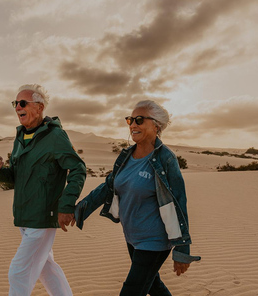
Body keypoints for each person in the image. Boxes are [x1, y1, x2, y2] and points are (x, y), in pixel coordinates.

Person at [75, 100, 200, 296]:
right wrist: (82, 207)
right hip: (132, 238)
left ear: (156, 126)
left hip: (155, 241)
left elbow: (178, 202)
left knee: (132, 291)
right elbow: (108, 186)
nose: (133, 125)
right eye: (130, 120)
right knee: (153, 285)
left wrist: (182, 250)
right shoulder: (126, 155)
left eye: (139, 120)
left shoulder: (166, 159)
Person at [0, 84, 86, 296]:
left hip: (43, 216)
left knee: (18, 272)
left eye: (23, 103)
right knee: (46, 268)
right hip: (24, 215)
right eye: (15, 103)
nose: (17, 108)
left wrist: (66, 204)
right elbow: (15, 176)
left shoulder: (55, 136)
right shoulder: (21, 137)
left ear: (39, 107)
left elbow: (78, 168)